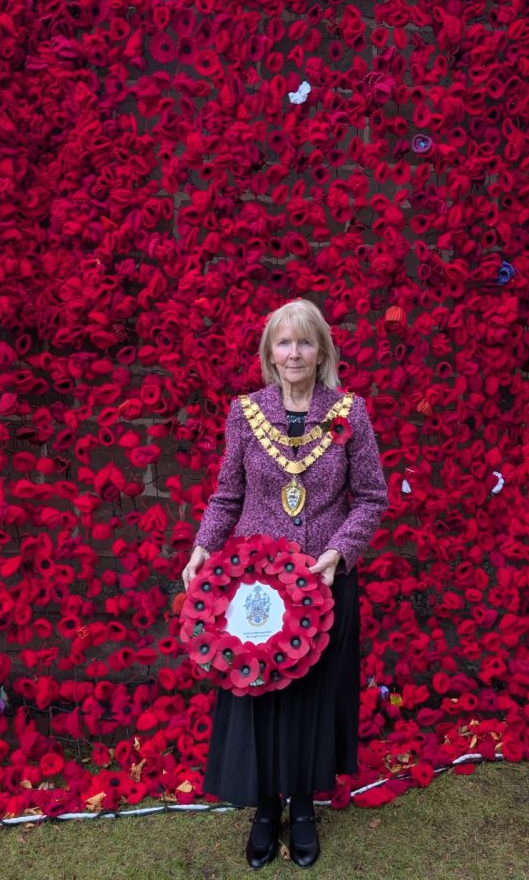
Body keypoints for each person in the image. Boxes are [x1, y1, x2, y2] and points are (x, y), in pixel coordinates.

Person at [181, 298, 389, 869]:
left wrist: (338, 553)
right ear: (269, 353)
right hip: (254, 584)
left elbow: (371, 498)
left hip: (323, 581)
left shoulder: (351, 412)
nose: (293, 352)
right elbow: (228, 494)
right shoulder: (246, 412)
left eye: (304, 341)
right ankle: (265, 809)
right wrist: (203, 546)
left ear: (321, 349)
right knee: (259, 692)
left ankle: (302, 807)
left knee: (313, 696)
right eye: (283, 342)